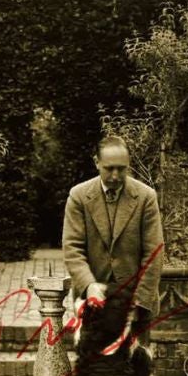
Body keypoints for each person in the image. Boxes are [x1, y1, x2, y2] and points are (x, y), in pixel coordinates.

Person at [62, 134, 164, 340]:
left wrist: (138, 301)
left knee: (134, 367)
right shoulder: (79, 196)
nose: (116, 175)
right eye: (109, 168)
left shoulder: (146, 197)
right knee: (95, 367)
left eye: (122, 168)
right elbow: (73, 248)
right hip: (93, 299)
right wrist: (88, 285)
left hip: (135, 302)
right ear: (96, 162)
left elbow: (154, 253)